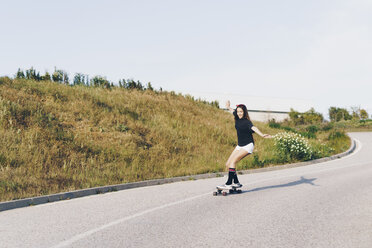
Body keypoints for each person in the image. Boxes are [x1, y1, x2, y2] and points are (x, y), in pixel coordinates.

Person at [219, 100, 272, 189]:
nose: (239, 113)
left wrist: (262, 134)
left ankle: (228, 183)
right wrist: (228, 107)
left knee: (233, 162)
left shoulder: (246, 122)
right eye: (238, 111)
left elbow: (253, 127)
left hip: (248, 145)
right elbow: (233, 111)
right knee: (228, 164)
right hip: (240, 145)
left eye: (241, 112)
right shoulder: (236, 115)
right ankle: (236, 182)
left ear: (244, 112)